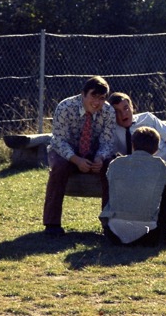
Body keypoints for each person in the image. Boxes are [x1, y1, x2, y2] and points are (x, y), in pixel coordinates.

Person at [43, 76, 117, 236]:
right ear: (83, 94)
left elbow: (107, 141)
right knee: (58, 167)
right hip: (66, 152)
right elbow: (59, 140)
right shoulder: (65, 107)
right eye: (93, 96)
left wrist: (100, 157)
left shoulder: (108, 111)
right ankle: (52, 223)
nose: (97, 102)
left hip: (93, 152)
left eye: (102, 98)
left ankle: (110, 224)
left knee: (112, 168)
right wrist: (75, 159)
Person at [99, 126, 166, 246]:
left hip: (113, 233)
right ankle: (163, 228)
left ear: (132, 144)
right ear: (157, 148)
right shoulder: (160, 165)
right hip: (147, 234)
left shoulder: (115, 163)